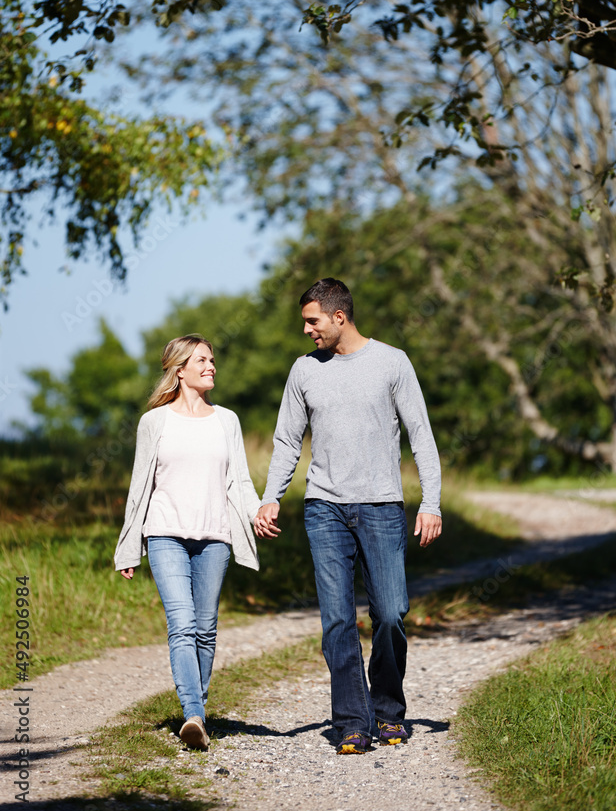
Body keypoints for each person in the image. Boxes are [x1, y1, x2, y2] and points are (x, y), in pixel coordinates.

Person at [254, 278, 442, 754]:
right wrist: (271, 495)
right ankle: (353, 721)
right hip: (324, 508)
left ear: (340, 317)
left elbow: (421, 435)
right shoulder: (304, 371)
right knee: (338, 620)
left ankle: (387, 710)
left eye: (312, 321)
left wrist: (431, 502)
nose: (306, 330)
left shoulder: (391, 362)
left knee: (391, 614)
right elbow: (285, 441)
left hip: (381, 505)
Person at [115, 334, 260, 750]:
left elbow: (240, 481)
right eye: (202, 360)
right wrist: (129, 547)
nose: (211, 366)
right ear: (179, 369)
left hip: (215, 535)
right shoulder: (155, 422)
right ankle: (193, 713)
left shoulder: (226, 420)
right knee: (182, 624)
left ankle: (197, 708)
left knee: (206, 629)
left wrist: (257, 513)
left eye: (212, 359)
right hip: (165, 534)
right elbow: (139, 488)